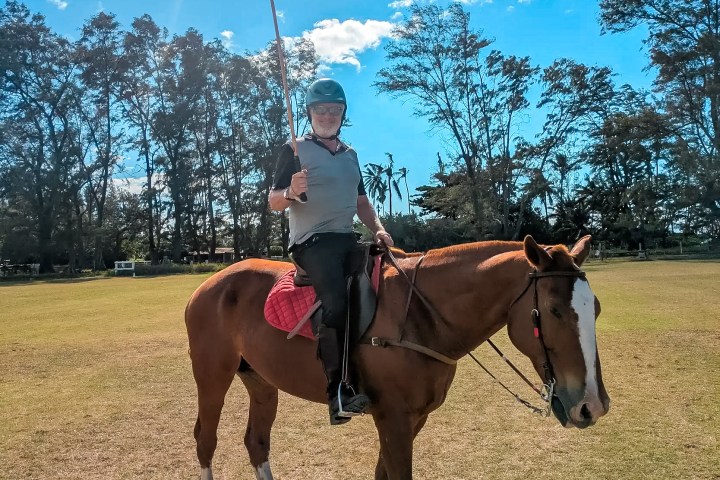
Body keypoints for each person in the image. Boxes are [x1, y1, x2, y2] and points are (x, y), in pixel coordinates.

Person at [268, 78, 393, 425]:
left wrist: (379, 229)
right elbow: (273, 202)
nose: (327, 115)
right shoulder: (293, 149)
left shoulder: (351, 156)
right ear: (309, 113)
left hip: (346, 237)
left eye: (334, 110)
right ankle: (338, 392)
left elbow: (363, 205)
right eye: (320, 110)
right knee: (336, 301)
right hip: (310, 242)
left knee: (388, 280)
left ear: (342, 114)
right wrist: (291, 191)